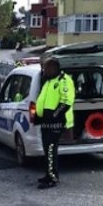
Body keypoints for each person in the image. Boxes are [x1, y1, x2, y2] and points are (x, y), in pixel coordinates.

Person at [35, 58, 75, 189]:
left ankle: (52, 178)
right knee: (47, 150)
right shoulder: (49, 81)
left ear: (53, 68)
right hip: (46, 122)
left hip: (56, 122)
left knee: (51, 150)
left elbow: (66, 101)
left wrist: (54, 116)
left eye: (46, 68)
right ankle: (49, 174)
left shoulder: (63, 80)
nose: (44, 71)